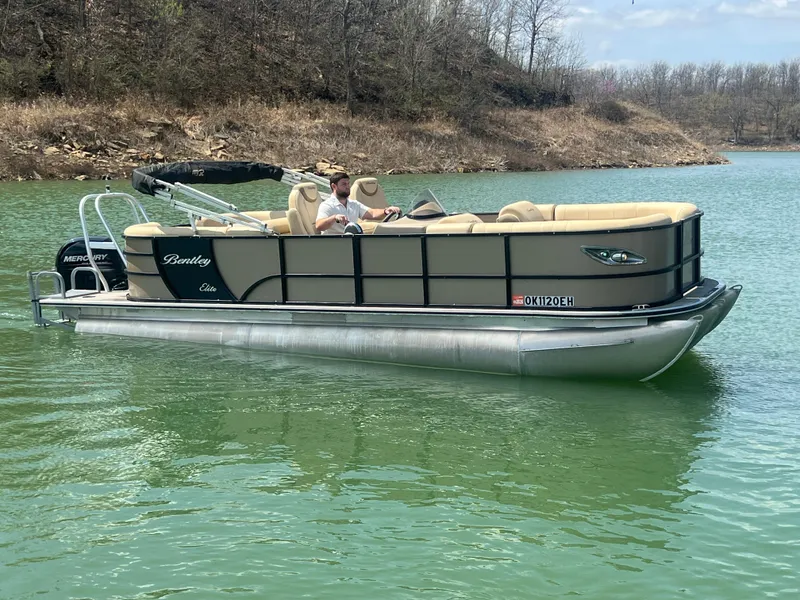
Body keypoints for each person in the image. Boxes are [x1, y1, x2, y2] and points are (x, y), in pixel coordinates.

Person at [315, 172, 401, 234]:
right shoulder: (326, 205)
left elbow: (371, 213)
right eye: (344, 184)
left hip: (352, 240)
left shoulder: (354, 204)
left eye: (348, 183)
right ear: (334, 186)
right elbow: (319, 226)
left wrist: (386, 211)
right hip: (334, 243)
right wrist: (334, 218)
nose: (348, 187)